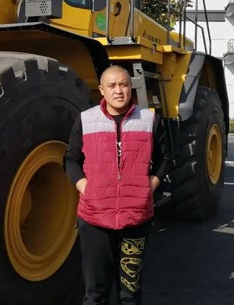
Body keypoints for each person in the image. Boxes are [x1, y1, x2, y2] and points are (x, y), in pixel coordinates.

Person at [64, 65, 170, 305]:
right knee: (95, 294)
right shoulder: (86, 120)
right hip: (95, 219)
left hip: (136, 219)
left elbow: (165, 159)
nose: (118, 91)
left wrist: (150, 186)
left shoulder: (150, 120)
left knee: (130, 294)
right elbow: (70, 159)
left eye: (123, 84)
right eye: (112, 86)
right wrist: (85, 187)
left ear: (130, 87)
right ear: (102, 90)